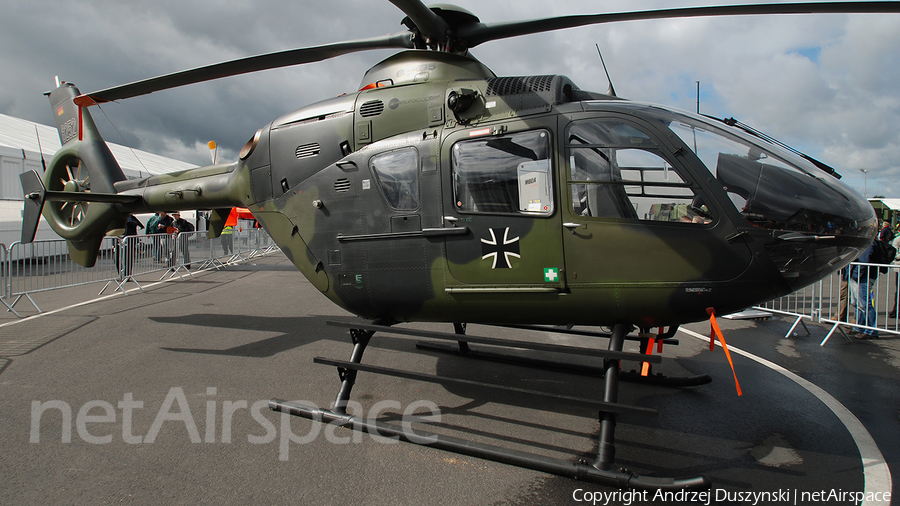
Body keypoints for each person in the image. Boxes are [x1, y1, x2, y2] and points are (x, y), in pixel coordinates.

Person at [849, 239, 879, 339]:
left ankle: (871, 330)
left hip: (863, 276)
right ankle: (859, 327)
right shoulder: (866, 241)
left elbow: (864, 260)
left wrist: (856, 275)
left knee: (865, 304)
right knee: (859, 304)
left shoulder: (868, 242)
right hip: (860, 275)